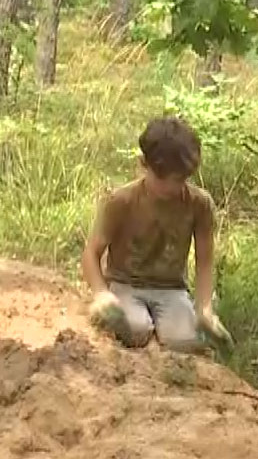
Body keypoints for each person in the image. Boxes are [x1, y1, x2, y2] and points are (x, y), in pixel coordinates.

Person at [83, 115, 232, 352]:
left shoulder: (199, 204)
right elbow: (92, 252)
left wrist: (204, 308)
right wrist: (101, 293)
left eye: (181, 179)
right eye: (164, 180)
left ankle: (170, 334)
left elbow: (205, 261)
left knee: (184, 342)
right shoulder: (121, 201)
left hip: (171, 289)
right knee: (135, 329)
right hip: (126, 284)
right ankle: (140, 332)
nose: (172, 188)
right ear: (144, 164)